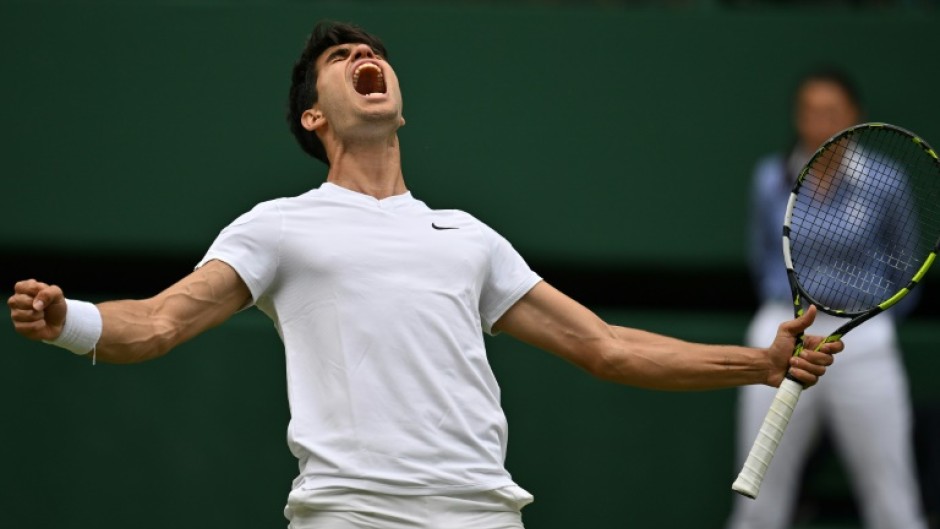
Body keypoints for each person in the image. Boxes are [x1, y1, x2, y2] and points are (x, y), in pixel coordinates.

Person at [9, 22, 841, 529]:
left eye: (372, 52)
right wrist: (69, 319)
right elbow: (158, 323)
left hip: (482, 509)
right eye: (342, 57)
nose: (365, 55)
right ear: (313, 113)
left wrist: (762, 366)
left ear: (399, 104)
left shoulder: (468, 238)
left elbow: (607, 346)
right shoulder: (275, 226)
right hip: (353, 513)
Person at [725, 67, 928, 529]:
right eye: (810, 111)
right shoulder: (769, 178)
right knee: (759, 497)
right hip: (783, 329)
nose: (819, 121)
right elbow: (762, 256)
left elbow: (906, 263)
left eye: (831, 111)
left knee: (891, 493)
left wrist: (872, 320)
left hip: (862, 337)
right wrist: (788, 310)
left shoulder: (886, 179)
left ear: (854, 116)